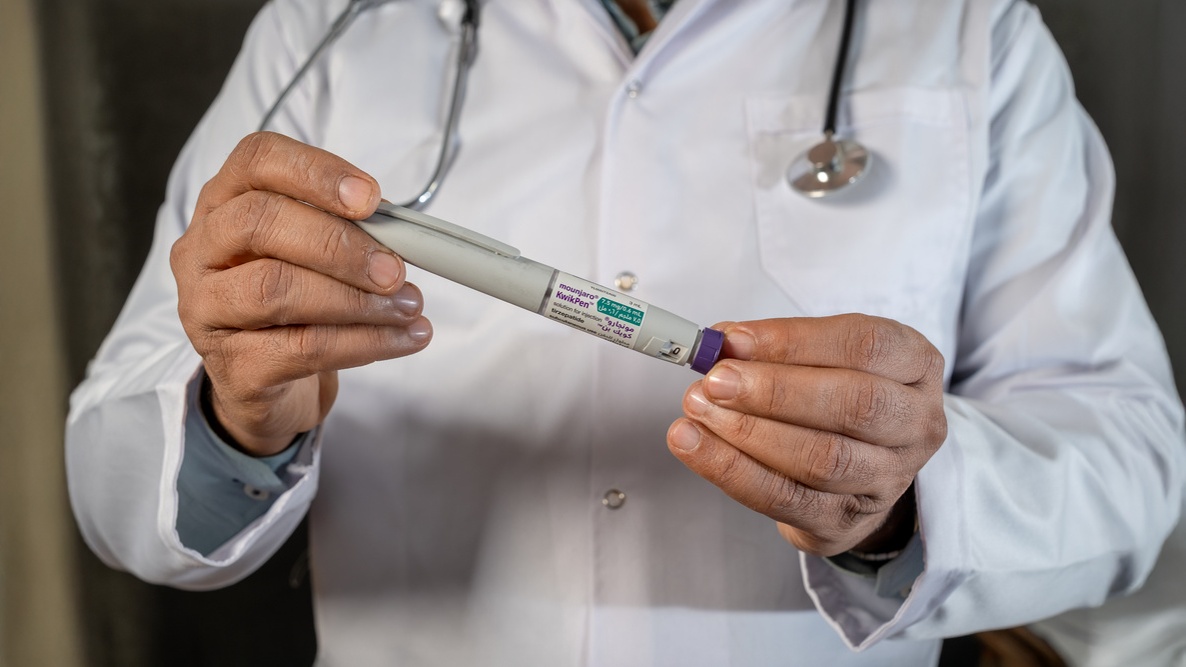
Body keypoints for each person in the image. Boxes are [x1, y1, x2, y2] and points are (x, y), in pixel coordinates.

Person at [65, 0, 1185, 665]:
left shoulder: (968, 29)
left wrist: (901, 499)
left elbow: (1129, 458)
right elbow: (115, 476)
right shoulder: (333, 25)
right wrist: (235, 417)